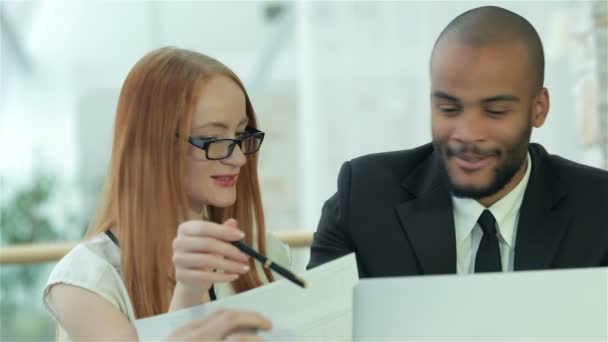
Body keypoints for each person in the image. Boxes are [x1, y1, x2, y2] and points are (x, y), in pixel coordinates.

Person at [308, 6, 608, 276]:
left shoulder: (598, 207)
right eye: (448, 109)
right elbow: (316, 330)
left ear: (539, 109)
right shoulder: (364, 199)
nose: (466, 133)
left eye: (495, 111)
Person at [42, 47, 291, 340]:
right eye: (213, 139)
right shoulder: (86, 280)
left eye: (240, 135)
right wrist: (189, 290)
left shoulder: (264, 254)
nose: (238, 159)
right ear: (154, 145)